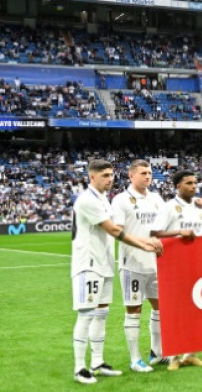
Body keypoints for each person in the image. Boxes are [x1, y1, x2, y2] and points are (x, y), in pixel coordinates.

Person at [72, 160, 162, 385]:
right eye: (105, 175)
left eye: (111, 175)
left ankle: (98, 362)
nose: (110, 179)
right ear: (92, 177)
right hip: (88, 265)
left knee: (101, 314)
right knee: (86, 315)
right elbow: (113, 229)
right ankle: (80, 367)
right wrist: (144, 244)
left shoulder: (102, 199)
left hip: (104, 265)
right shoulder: (87, 200)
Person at [110, 160, 167, 372]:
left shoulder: (156, 199)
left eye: (150, 173)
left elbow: (164, 226)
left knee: (161, 307)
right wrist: (144, 244)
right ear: (131, 175)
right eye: (143, 173)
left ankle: (157, 352)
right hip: (132, 264)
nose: (148, 176)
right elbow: (118, 232)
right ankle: (135, 359)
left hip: (156, 265)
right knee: (134, 310)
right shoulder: (121, 200)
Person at [149, 169, 202, 370]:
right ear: (177, 186)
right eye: (189, 183)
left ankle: (190, 354)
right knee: (174, 312)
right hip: (173, 267)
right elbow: (154, 232)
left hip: (196, 265)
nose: (194, 186)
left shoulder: (200, 208)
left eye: (195, 183)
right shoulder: (169, 208)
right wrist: (178, 233)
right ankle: (173, 357)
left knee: (195, 310)